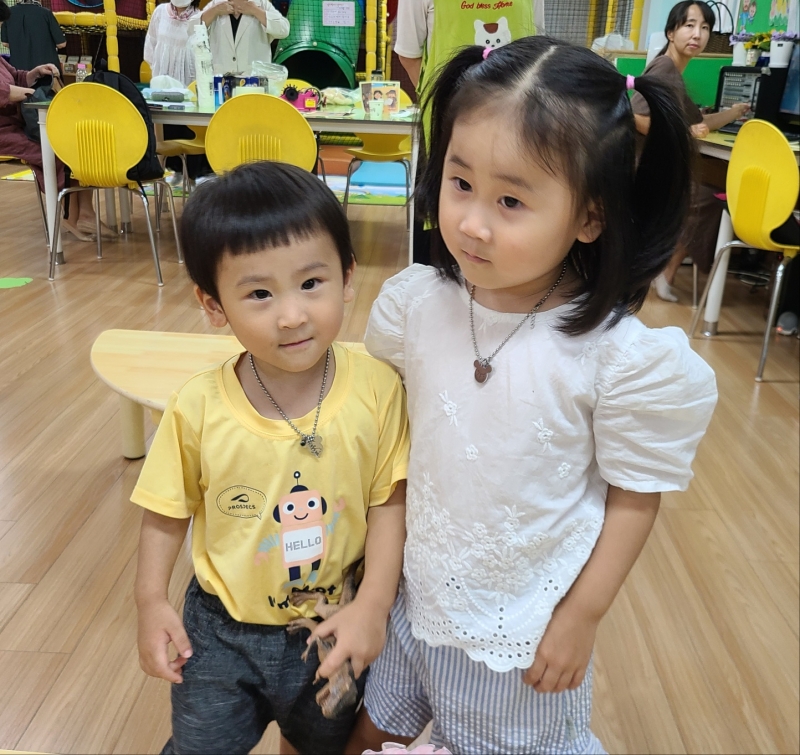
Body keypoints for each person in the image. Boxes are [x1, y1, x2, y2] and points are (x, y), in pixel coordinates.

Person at [348, 36, 718, 755]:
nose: (472, 221)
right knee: (367, 730)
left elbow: (634, 497)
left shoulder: (616, 357)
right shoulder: (415, 304)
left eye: (511, 200)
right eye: (460, 183)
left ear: (590, 217)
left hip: (519, 633)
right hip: (409, 598)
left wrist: (583, 614)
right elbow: (387, 437)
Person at [132, 161, 410, 755]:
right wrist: (150, 601)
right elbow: (165, 511)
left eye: (311, 283)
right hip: (220, 633)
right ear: (213, 306)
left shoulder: (378, 390)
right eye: (259, 293)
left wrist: (374, 605)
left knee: (321, 748)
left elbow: (389, 503)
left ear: (347, 276)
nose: (291, 315)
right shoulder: (198, 406)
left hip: (331, 626)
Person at [396, 0, 544, 265]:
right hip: (449, 123)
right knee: (448, 231)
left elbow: (536, 46)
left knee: (511, 216)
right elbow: (408, 54)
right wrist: (444, 97)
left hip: (518, 120)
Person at [632, 0, 750, 302]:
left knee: (707, 194)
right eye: (689, 25)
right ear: (671, 32)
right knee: (708, 197)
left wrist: (734, 113)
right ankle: (664, 269)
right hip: (641, 172)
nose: (698, 34)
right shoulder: (664, 69)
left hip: (655, 171)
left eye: (705, 27)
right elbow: (636, 116)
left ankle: (664, 269)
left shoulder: (673, 72)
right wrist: (682, 132)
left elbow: (700, 123)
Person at [0, 3, 99, 242]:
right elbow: (4, 92)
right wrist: (29, 93)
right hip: (4, 131)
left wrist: (34, 73)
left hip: (16, 123)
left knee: (75, 142)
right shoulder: (44, 15)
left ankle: (85, 213)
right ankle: (68, 215)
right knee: (55, 151)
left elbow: (15, 76)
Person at [201, 0, 289, 76]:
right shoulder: (215, 4)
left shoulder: (262, 4)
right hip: (221, 79)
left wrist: (255, 10)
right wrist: (215, 11)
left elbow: (284, 30)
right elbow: (194, 29)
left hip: (255, 79)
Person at [144, 0, 202, 84]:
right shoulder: (160, 11)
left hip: (187, 83)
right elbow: (150, 44)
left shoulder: (200, 18)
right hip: (160, 80)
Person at [0, 0, 66, 74]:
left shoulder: (8, 14)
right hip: (46, 71)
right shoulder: (45, 13)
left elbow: (5, 43)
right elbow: (61, 44)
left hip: (19, 72)